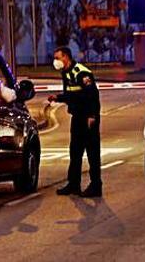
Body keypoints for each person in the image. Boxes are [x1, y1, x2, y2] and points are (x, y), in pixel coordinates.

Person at [48, 46, 102, 197]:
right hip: (77, 117)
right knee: (75, 152)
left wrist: (92, 116)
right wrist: (57, 98)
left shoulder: (81, 72)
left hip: (88, 117)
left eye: (57, 58)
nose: (55, 61)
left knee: (92, 152)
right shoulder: (66, 73)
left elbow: (92, 95)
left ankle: (96, 186)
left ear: (66, 57)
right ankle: (74, 184)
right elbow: (71, 94)